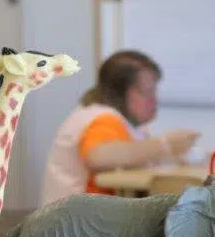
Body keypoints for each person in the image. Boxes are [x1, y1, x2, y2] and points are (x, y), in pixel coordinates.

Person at [39, 49, 201, 207]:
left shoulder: (121, 122)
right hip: (76, 219)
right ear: (119, 93)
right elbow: (98, 157)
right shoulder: (102, 118)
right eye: (146, 92)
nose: (154, 100)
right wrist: (164, 144)